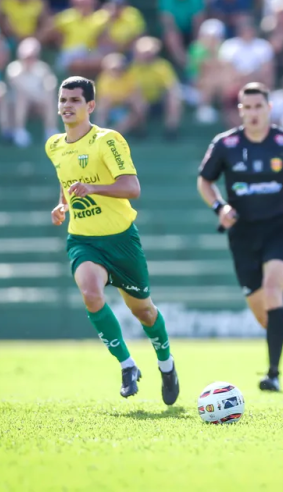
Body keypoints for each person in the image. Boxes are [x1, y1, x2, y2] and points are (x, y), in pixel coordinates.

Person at [45, 76, 179, 405]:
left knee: (144, 312)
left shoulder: (108, 140)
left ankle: (167, 365)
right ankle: (127, 365)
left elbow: (132, 188)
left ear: (90, 106)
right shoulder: (54, 145)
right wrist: (62, 205)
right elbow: (67, 182)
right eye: (62, 100)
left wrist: (93, 189)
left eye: (74, 100)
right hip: (84, 240)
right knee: (90, 294)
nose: (66, 106)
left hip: (121, 241)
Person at [197, 82, 283, 392]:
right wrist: (219, 207)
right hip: (242, 233)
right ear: (240, 111)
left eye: (257, 107)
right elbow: (205, 181)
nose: (252, 113)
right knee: (264, 315)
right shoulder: (226, 144)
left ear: (269, 108)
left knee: (273, 290)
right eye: (246, 108)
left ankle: (273, 374)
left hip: (279, 228)